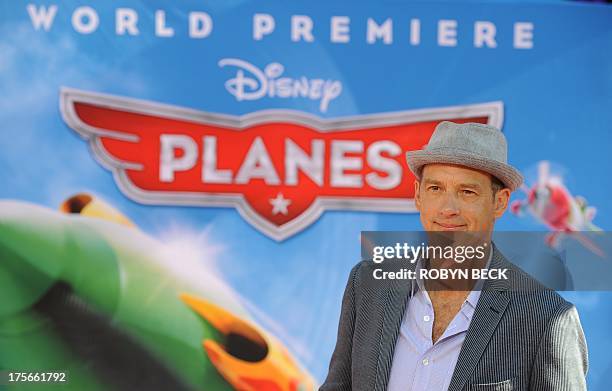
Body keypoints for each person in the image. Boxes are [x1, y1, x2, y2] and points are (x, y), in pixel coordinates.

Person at [320, 121, 588, 391]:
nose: (448, 209)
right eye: (435, 189)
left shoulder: (547, 318)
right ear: (417, 195)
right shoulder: (367, 284)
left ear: (500, 202)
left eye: (467, 192)